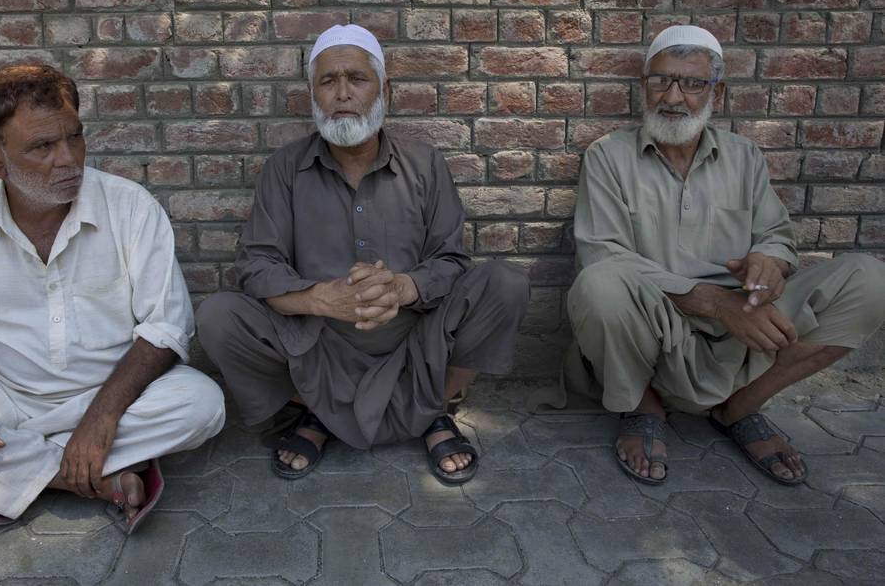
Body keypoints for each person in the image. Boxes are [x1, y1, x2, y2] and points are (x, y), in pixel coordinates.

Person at [0, 65, 225, 532]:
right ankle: (84, 477)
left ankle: (16, 475)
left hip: (114, 396)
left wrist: (101, 418)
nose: (69, 159)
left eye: (75, 138)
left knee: (202, 403)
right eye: (42, 147)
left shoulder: (131, 208)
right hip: (8, 403)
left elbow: (166, 328)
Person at [543, 25, 885, 486]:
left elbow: (778, 234)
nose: (673, 96)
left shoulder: (744, 156)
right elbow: (603, 253)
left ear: (715, 91)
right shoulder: (609, 156)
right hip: (658, 323)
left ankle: (740, 408)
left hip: (746, 323)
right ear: (644, 86)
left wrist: (770, 260)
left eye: (692, 83)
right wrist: (713, 303)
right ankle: (643, 407)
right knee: (599, 286)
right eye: (660, 80)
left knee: (869, 279)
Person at [197, 24, 530, 484]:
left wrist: (404, 287)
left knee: (504, 284)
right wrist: (319, 298)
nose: (342, 94)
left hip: (417, 341)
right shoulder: (284, 169)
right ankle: (317, 410)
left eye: (357, 79)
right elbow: (256, 266)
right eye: (328, 81)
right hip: (318, 344)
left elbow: (451, 260)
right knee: (218, 316)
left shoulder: (425, 164)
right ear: (312, 94)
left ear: (383, 89)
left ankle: (432, 409)